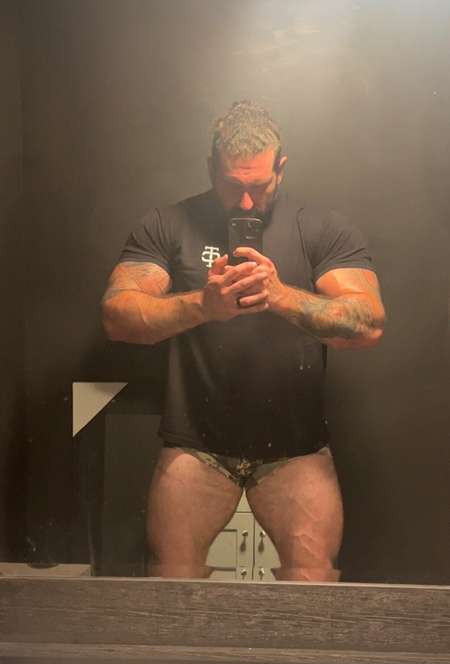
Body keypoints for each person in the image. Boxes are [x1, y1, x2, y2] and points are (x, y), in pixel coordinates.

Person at [102, 100, 386, 581]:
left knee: (313, 584)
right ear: (211, 169)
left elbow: (368, 323)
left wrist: (278, 295)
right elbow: (117, 315)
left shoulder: (320, 228)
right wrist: (203, 305)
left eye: (260, 187)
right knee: (171, 586)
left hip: (295, 445)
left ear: (281, 168)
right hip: (196, 442)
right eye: (234, 187)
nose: (247, 203)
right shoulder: (169, 224)